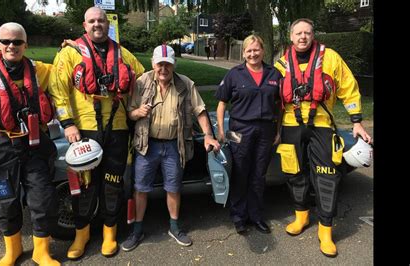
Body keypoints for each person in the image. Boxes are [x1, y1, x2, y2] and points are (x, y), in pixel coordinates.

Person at [48, 6, 145, 259]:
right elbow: (57, 90)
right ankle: (82, 234)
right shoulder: (69, 53)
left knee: (113, 184)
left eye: (101, 20)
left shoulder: (123, 54)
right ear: (84, 25)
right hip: (84, 131)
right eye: (92, 21)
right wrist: (68, 123)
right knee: (84, 186)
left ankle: (110, 233)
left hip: (118, 130)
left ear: (107, 24)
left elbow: (145, 80)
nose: (97, 25)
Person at [274, 18, 373, 257]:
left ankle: (326, 230)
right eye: (298, 33)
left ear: (313, 35)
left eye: (307, 32)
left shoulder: (331, 58)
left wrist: (357, 121)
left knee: (326, 176)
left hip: (321, 125)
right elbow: (271, 96)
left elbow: (348, 87)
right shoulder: (281, 62)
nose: (303, 37)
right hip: (290, 125)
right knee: (294, 172)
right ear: (291, 36)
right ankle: (301, 217)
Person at [0, 22, 60, 266]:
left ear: (26, 44)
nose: (12, 46)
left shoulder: (42, 71)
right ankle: (13, 249)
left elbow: (66, 68)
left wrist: (72, 45)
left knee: (42, 198)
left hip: (35, 146)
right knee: (5, 200)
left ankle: (42, 251)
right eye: (6, 42)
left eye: (17, 42)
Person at [121, 44, 221, 252]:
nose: (163, 69)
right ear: (153, 64)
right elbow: (130, 113)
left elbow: (200, 110)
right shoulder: (142, 82)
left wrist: (209, 135)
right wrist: (138, 112)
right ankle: (137, 230)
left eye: (168, 64)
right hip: (147, 145)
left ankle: (174, 227)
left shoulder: (185, 84)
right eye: (160, 64)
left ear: (173, 65)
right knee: (140, 188)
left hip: (175, 145)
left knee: (174, 187)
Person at [215, 35, 282, 235]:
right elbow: (221, 104)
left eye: (256, 50)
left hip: (266, 130)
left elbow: (280, 105)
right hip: (239, 130)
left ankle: (256, 216)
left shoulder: (274, 74)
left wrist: (278, 131)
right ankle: (239, 217)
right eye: (249, 51)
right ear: (244, 53)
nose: (253, 54)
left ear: (263, 51)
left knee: (259, 174)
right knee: (241, 172)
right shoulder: (234, 74)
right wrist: (220, 129)